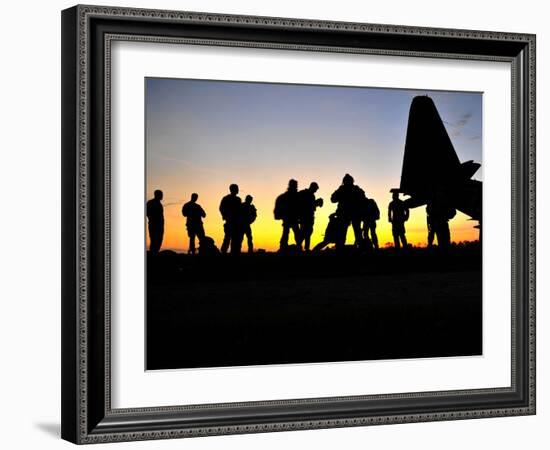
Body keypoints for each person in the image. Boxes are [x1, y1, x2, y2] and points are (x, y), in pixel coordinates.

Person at [330, 174, 365, 249]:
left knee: (355, 232)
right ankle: (341, 247)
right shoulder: (344, 189)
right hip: (346, 214)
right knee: (344, 233)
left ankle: (360, 247)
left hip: (352, 214)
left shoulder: (354, 189)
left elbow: (363, 199)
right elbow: (333, 199)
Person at [274, 179, 302, 251]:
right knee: (290, 233)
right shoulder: (294, 196)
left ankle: (286, 247)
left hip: (290, 218)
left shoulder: (292, 196)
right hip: (290, 218)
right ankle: (287, 247)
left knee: (289, 233)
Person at [298, 182, 323, 251]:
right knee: (304, 232)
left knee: (308, 232)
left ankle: (306, 248)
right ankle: (299, 246)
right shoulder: (304, 193)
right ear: (312, 187)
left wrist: (317, 203)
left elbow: (311, 206)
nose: (316, 190)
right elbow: (306, 205)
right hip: (304, 217)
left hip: (309, 217)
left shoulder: (311, 195)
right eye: (315, 189)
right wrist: (316, 202)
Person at [219, 184, 242, 254]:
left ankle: (233, 253)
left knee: (234, 239)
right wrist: (226, 216)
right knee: (227, 238)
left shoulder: (238, 199)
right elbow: (221, 208)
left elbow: (240, 210)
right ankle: (224, 252)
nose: (238, 190)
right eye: (237, 188)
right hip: (230, 221)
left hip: (236, 222)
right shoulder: (226, 198)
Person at [146, 189, 164, 255]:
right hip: (154, 225)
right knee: (154, 240)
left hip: (160, 225)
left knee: (159, 240)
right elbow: (147, 213)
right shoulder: (150, 202)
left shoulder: (159, 204)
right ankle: (153, 255)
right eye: (161, 194)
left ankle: (154, 254)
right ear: (157, 195)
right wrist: (152, 219)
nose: (162, 196)